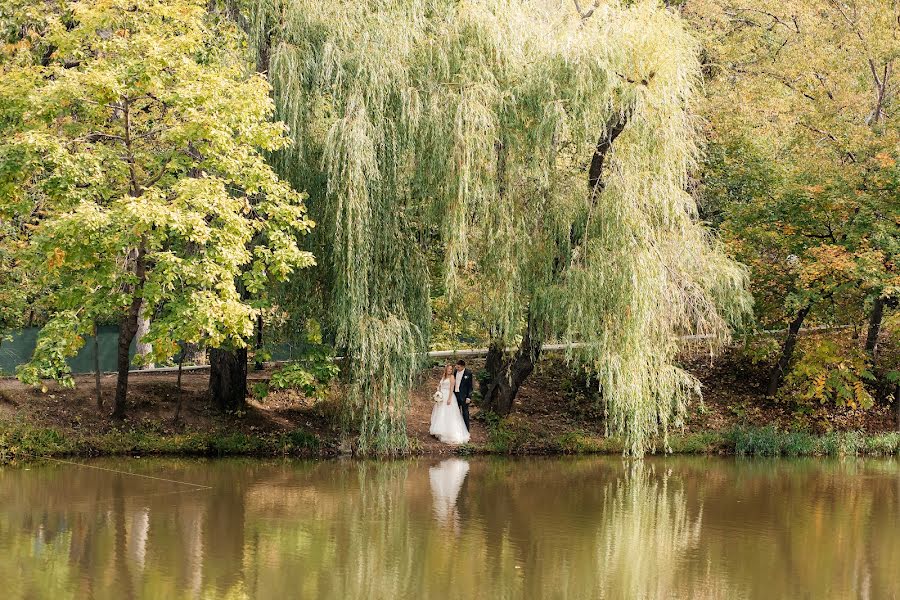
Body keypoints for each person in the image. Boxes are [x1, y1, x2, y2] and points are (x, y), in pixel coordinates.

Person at [429, 364, 470, 445]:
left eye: (451, 369)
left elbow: (452, 388)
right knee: (440, 413)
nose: (450, 371)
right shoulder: (443, 377)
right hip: (441, 396)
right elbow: (440, 386)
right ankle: (439, 430)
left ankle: (449, 432)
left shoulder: (452, 377)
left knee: (449, 414)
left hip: (448, 396)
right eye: (448, 369)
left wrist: (449, 398)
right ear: (446, 369)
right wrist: (438, 393)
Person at [454, 360, 474, 431]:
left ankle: (466, 429)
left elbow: (470, 386)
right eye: (456, 366)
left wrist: (469, 397)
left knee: (465, 413)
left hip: (464, 396)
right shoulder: (455, 372)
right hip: (455, 395)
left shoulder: (468, 373)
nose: (457, 368)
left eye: (458, 367)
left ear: (463, 367)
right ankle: (457, 429)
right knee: (456, 412)